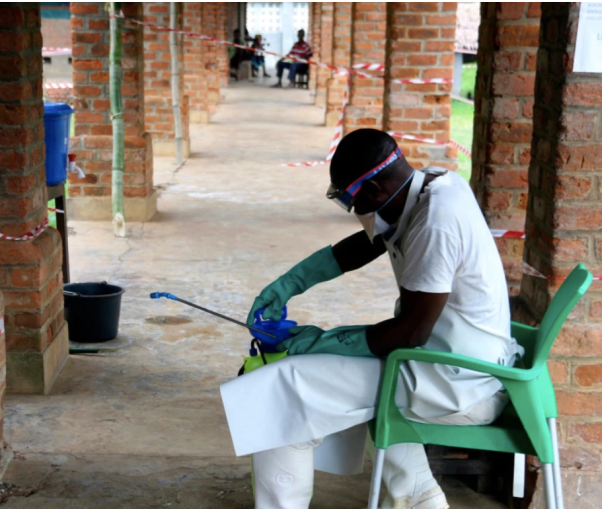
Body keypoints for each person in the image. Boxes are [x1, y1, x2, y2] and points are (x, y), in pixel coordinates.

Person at [220, 129, 524, 509]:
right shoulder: (430, 184)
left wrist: (316, 342)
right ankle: (418, 499)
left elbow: (410, 332)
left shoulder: (436, 223)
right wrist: (289, 284)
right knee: (327, 369)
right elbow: (367, 244)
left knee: (281, 386)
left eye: (351, 199)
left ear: (377, 188)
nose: (353, 209)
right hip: (457, 363)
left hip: (456, 382)